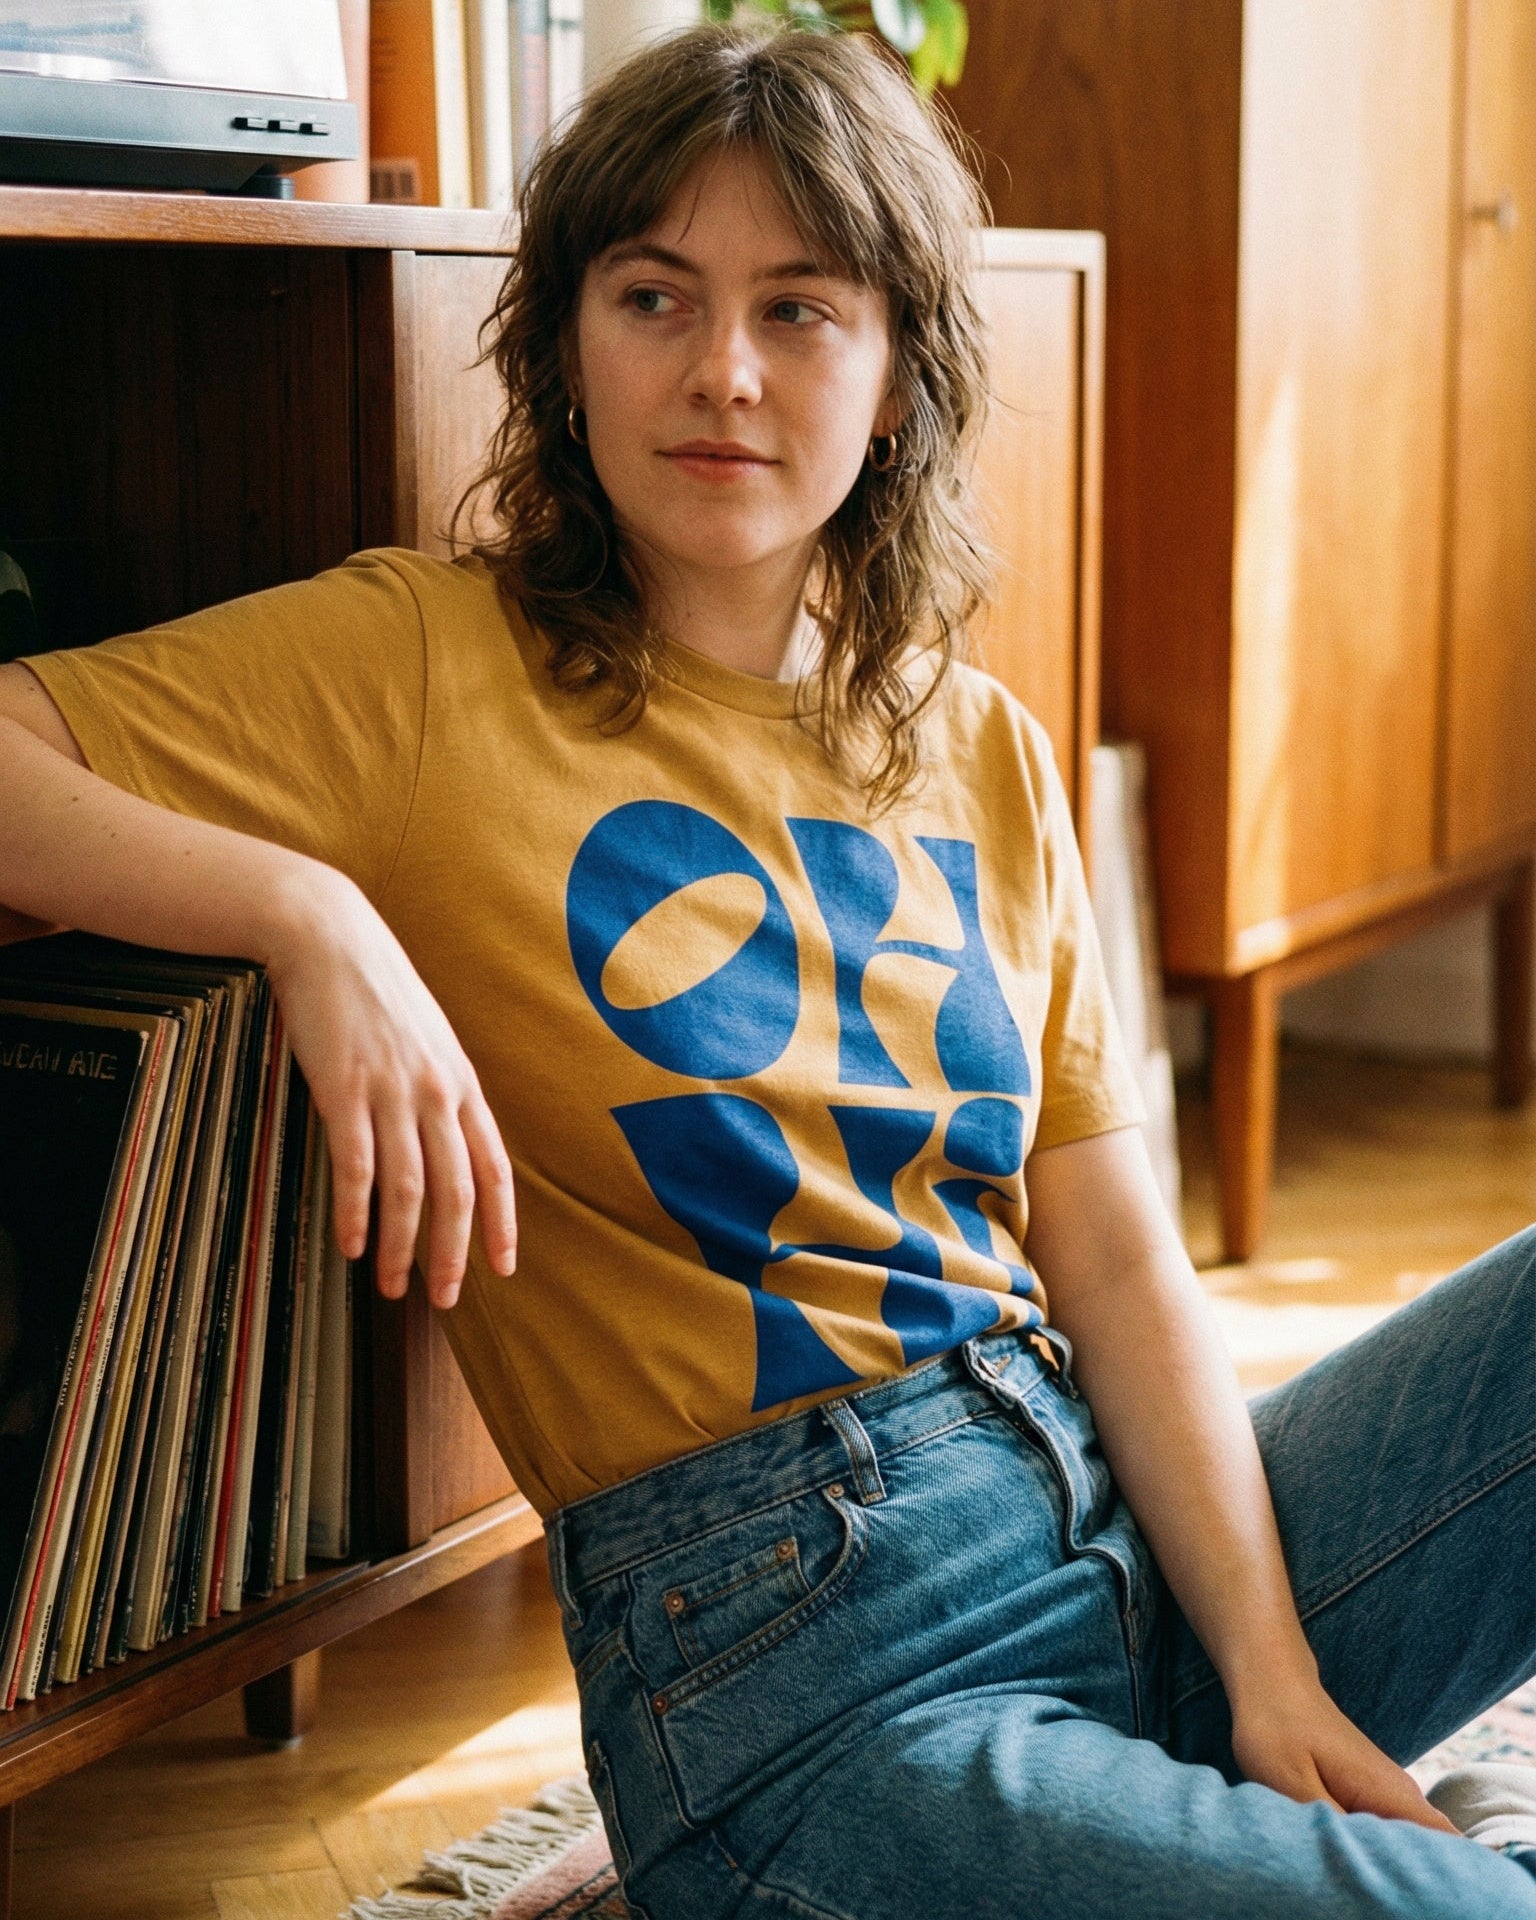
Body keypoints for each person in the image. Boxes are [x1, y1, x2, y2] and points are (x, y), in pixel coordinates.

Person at [0, 23, 1533, 1918]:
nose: (722, 372)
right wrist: (305, 913)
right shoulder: (419, 669)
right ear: (569, 342)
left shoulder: (976, 743)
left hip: (1090, 1508)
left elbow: (1115, 1250)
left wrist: (1275, 1677)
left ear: (894, 376)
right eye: (656, 294)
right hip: (800, 1686)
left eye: (802, 308)